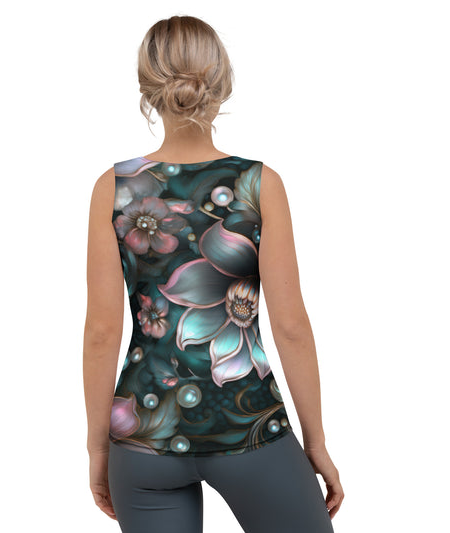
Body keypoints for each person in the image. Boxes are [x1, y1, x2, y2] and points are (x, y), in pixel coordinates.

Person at [83, 15, 344, 533]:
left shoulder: (114, 188)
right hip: (248, 427)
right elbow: (291, 327)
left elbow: (101, 332)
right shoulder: (258, 183)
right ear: (221, 81)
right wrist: (315, 443)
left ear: (147, 86)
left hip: (143, 434)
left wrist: (98, 447)